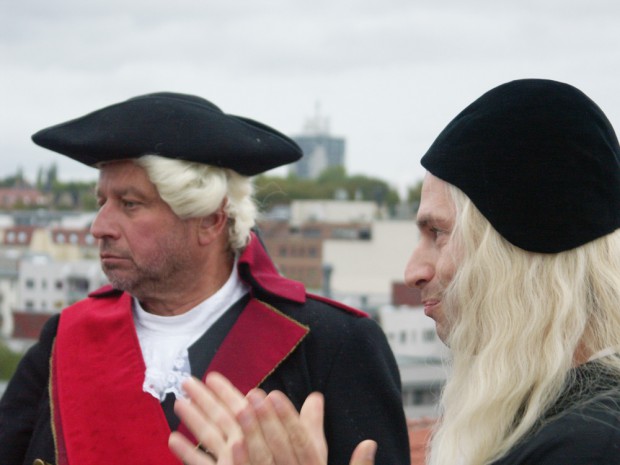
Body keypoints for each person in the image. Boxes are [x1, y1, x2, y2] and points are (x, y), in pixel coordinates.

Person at [171, 79, 620, 465]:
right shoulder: (562, 424)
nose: (413, 271)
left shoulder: (589, 446)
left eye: (437, 233)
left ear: (514, 249)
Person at [0, 92, 410, 465]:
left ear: (211, 222)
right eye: (101, 201)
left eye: (130, 204)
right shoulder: (65, 338)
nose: (99, 226)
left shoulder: (333, 345)